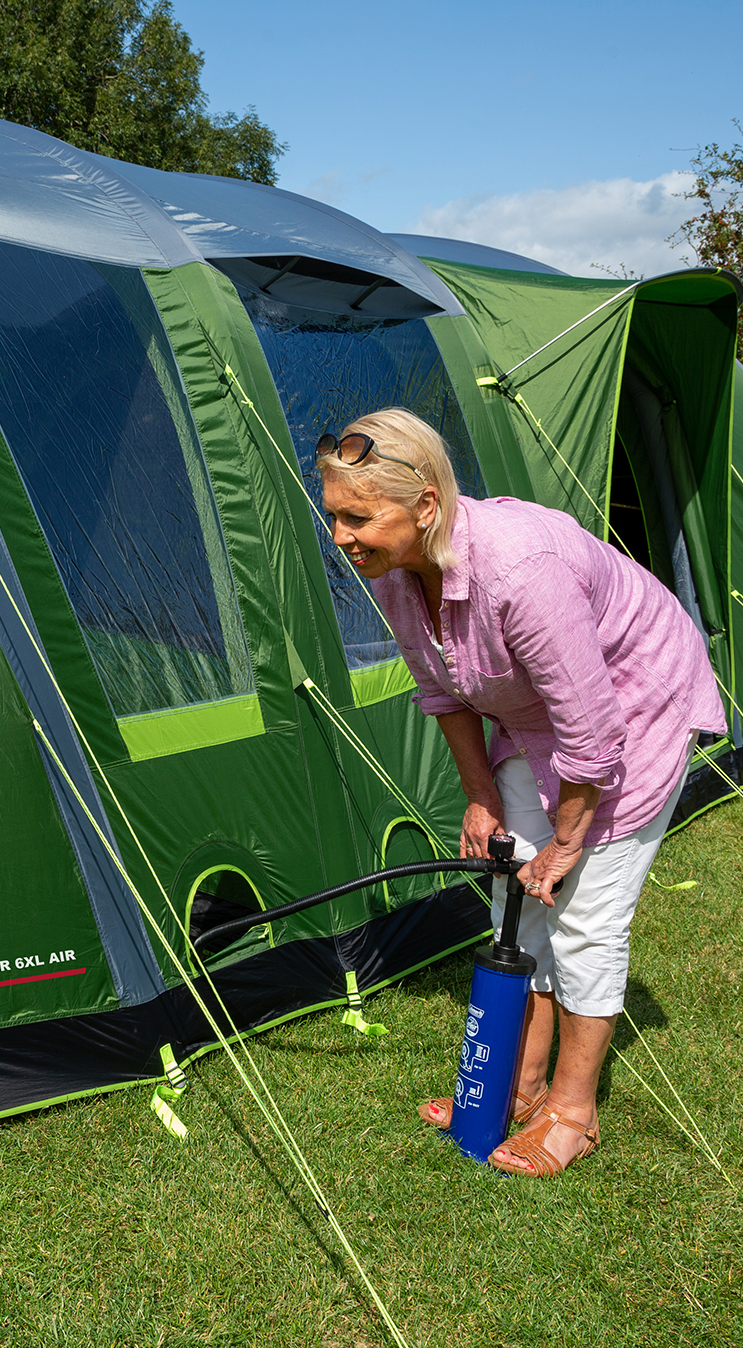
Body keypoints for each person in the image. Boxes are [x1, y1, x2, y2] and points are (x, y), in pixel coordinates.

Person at [317, 407, 725, 1177]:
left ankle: (573, 1114)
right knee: (519, 903)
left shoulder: (519, 570)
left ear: (426, 505)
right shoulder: (398, 569)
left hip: (631, 711)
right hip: (540, 722)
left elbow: (594, 732)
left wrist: (569, 843)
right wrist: (482, 798)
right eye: (334, 515)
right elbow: (442, 693)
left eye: (357, 517)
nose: (341, 537)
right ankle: (517, 1087)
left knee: (582, 921)